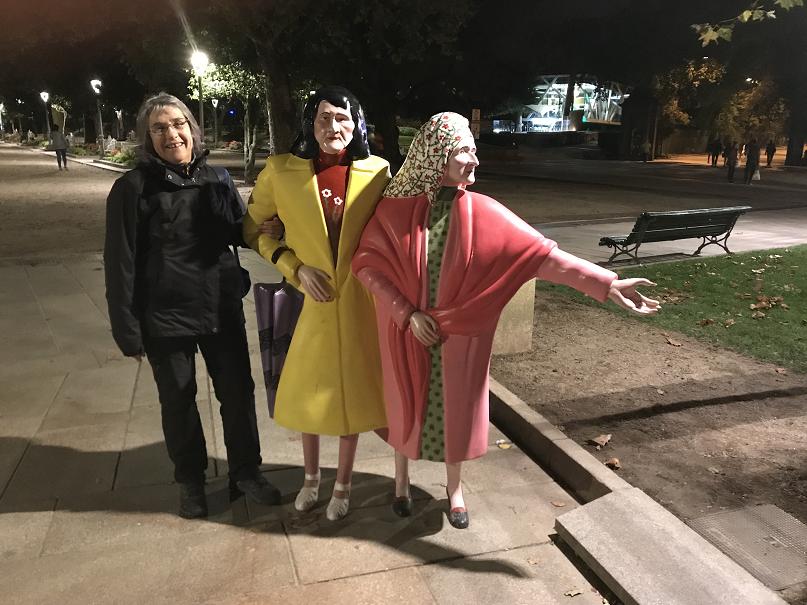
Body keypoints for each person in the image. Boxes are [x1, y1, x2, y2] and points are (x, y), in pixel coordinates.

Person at [352, 112, 660, 529]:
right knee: (404, 405)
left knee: (456, 413)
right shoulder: (394, 211)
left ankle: (454, 489)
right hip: (405, 333)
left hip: (461, 335)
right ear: (437, 155)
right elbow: (367, 265)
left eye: (474, 150)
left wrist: (607, 283)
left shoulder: (485, 212)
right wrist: (406, 313)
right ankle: (401, 483)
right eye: (464, 151)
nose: (474, 159)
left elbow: (544, 257)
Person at [104, 92, 280, 519]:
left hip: (220, 307)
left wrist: (271, 227)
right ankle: (191, 481)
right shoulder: (132, 188)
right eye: (160, 128)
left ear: (192, 129)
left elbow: (238, 230)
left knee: (237, 394)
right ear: (148, 138)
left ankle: (246, 472)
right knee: (179, 401)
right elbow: (120, 262)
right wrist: (127, 329)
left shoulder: (217, 178)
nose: (172, 134)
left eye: (178, 124)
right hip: (165, 316)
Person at [243, 86, 390, 521]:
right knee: (309, 396)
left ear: (357, 124)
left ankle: (343, 484)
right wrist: (294, 266)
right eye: (324, 117)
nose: (333, 127)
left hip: (359, 302)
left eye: (342, 118)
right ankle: (311, 479)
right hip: (308, 302)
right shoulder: (280, 171)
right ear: (310, 123)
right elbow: (252, 230)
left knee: (351, 399)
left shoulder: (379, 172)